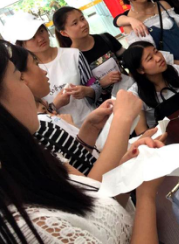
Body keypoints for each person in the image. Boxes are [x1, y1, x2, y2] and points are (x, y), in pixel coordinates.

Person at [0, 41, 164, 243]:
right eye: (18, 77)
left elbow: (97, 204)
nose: (43, 70)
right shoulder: (32, 225)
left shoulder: (31, 161)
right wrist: (145, 193)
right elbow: (96, 185)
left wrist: (126, 165)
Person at [8, 41, 152, 181]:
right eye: (36, 64)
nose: (44, 71)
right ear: (21, 78)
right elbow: (93, 186)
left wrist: (91, 126)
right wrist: (122, 121)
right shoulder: (37, 129)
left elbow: (79, 159)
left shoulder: (40, 123)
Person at [6, 12, 101, 126]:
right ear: (20, 45)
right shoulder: (24, 74)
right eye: (32, 37)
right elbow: (33, 117)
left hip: (93, 121)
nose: (40, 38)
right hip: (62, 131)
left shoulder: (73, 54)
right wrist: (55, 105)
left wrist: (86, 91)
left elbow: (94, 85)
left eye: (41, 31)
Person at [125, 41, 179, 133]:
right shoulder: (135, 95)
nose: (159, 58)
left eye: (156, 52)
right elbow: (142, 133)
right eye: (150, 58)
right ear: (140, 70)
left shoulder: (176, 70)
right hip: (167, 135)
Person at [54, 6, 128, 101]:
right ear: (64, 33)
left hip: (130, 90)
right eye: (75, 23)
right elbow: (80, 92)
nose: (83, 24)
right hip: (107, 105)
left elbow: (128, 60)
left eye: (82, 18)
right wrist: (101, 83)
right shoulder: (71, 59)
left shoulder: (105, 38)